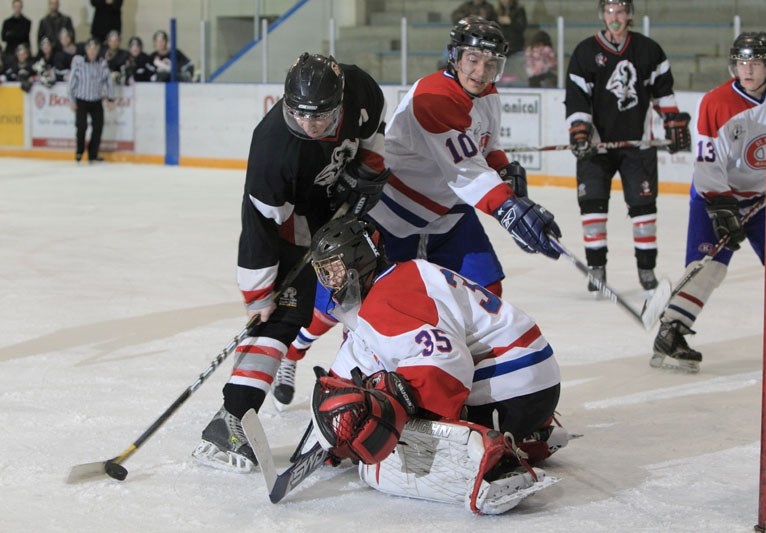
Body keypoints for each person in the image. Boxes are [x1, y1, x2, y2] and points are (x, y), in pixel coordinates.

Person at [271, 16, 563, 407]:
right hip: (395, 215)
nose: (481, 71)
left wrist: (504, 166)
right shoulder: (433, 97)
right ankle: (301, 357)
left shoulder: (489, 95)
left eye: (491, 63)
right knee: (351, 303)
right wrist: (508, 206)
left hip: (447, 215)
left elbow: (483, 147)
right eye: (473, 59)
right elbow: (465, 171)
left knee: (485, 290)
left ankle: (467, 372)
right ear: (456, 56)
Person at [192, 53, 389, 473]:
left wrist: (368, 172)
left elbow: (373, 134)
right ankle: (230, 421)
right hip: (291, 225)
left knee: (364, 295)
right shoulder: (272, 146)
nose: (309, 124)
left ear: (339, 101)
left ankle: (385, 397)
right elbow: (259, 222)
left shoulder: (359, 87)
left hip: (338, 213)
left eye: (320, 116)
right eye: (298, 113)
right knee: (283, 316)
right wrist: (260, 291)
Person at [306, 215, 567, 513]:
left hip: (511, 387)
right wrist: (326, 428)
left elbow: (446, 364)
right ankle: (530, 435)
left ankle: (493, 459)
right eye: (324, 273)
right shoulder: (395, 282)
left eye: (334, 270)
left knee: (381, 459)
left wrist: (399, 409)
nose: (329, 282)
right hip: (533, 382)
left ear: (358, 261)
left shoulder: (388, 298)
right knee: (382, 393)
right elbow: (353, 364)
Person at [651, 32, 766, 373]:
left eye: (756, 62)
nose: (748, 70)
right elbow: (706, 164)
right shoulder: (716, 102)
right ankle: (671, 332)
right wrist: (722, 207)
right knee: (708, 269)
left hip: (765, 200)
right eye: (742, 62)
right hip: (716, 197)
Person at [565, 0, 692, 295]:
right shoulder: (585, 52)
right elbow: (577, 98)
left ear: (630, 16)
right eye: (609, 12)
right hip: (595, 148)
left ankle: (646, 270)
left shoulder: (648, 50)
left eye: (620, 12)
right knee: (593, 206)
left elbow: (662, 94)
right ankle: (597, 268)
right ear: (602, 16)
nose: (615, 17)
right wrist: (580, 131)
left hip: (639, 145)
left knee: (644, 209)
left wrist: (672, 123)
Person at [68, 38, 115, 163]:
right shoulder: (79, 63)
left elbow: (108, 81)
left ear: (98, 50)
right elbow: (71, 82)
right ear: (86, 50)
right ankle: (79, 151)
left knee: (98, 126)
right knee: (81, 126)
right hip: (81, 100)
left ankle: (93, 154)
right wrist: (71, 100)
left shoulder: (102, 64)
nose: (93, 52)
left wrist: (110, 98)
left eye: (95, 49)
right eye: (90, 49)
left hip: (96, 100)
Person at [2, 1, 31, 66]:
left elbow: (24, 36)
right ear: (13, 7)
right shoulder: (7, 22)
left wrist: (11, 34)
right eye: (15, 6)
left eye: (19, 6)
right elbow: (3, 37)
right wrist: (18, 34)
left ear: (21, 7)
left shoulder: (27, 22)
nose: (17, 8)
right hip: (10, 51)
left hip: (22, 52)